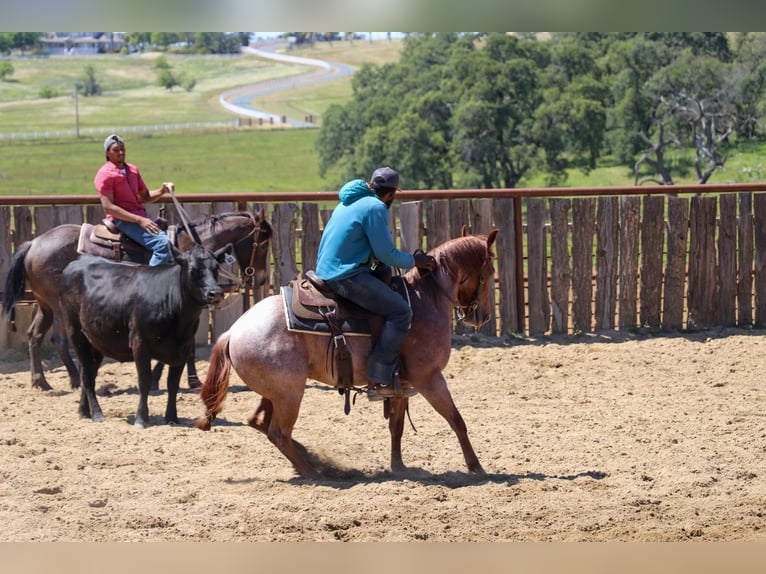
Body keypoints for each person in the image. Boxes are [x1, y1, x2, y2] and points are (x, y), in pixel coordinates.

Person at [316, 167, 436, 401]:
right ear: (391, 194)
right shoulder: (376, 207)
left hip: (329, 269)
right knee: (401, 311)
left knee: (384, 274)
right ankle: (379, 378)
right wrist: (415, 260)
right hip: (346, 275)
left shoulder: (348, 202)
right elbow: (386, 253)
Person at [95, 134, 174, 266]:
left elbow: (145, 197)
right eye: (116, 150)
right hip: (121, 219)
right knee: (162, 243)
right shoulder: (105, 174)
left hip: (139, 217)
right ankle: (152, 282)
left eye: (122, 149)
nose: (121, 152)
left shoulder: (132, 170)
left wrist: (162, 191)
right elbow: (109, 207)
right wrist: (140, 220)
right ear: (107, 153)